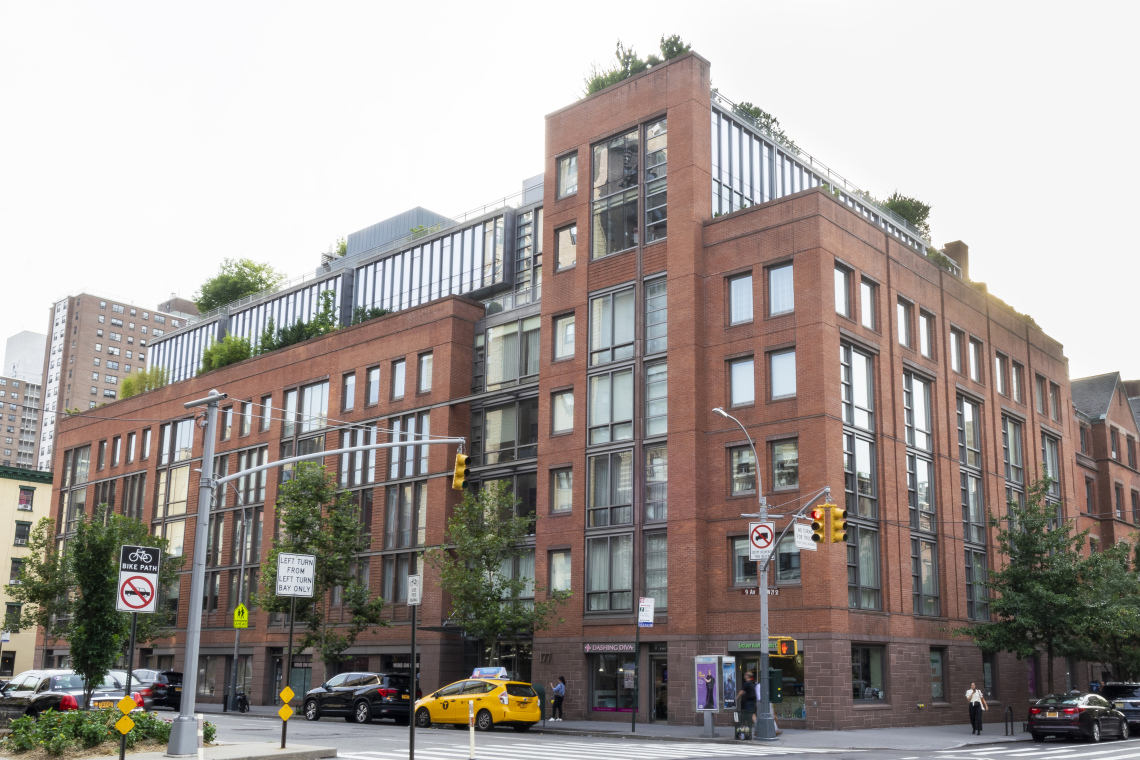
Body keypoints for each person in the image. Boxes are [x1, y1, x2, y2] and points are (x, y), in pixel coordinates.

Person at [738, 671, 758, 737]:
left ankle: (745, 731)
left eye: (745, 675)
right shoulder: (753, 683)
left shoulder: (746, 683)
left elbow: (741, 692)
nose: (744, 676)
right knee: (753, 715)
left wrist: (736, 698)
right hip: (753, 701)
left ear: (747, 676)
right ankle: (756, 729)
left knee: (748, 716)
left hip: (748, 702)